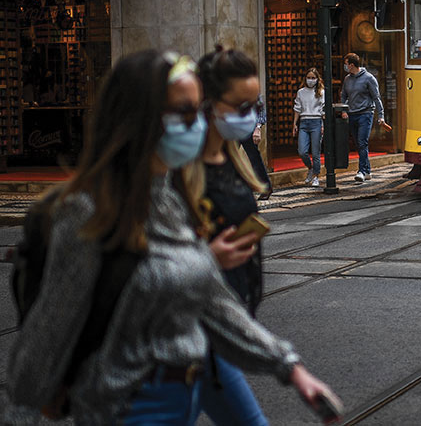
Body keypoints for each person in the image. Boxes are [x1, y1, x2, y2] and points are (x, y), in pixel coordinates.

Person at [3, 49, 338, 425]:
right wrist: (21, 413)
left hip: (185, 397)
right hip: (128, 405)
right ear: (139, 116)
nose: (197, 124)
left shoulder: (166, 202)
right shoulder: (89, 210)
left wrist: (291, 369)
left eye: (198, 110)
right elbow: (48, 333)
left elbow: (214, 302)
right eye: (185, 112)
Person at [186, 47, 275, 425]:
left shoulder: (232, 159)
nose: (250, 116)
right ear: (207, 104)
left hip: (219, 327)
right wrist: (208, 257)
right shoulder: (176, 170)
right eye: (241, 106)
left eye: (254, 106)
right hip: (183, 336)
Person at [340, 53, 386, 182]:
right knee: (359, 144)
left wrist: (381, 115)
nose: (345, 66)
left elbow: (376, 97)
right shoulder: (347, 79)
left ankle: (362, 171)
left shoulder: (368, 78)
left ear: (351, 65)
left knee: (362, 142)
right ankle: (367, 171)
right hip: (352, 114)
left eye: (346, 64)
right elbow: (344, 95)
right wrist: (344, 109)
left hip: (365, 114)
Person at [293, 68, 325, 187]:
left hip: (316, 121)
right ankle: (310, 168)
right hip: (304, 122)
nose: (310, 80)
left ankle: (316, 176)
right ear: (305, 79)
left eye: (313, 78)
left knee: (316, 152)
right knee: (302, 151)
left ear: (317, 79)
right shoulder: (301, 92)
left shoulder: (321, 92)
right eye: (309, 78)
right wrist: (294, 124)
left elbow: (323, 109)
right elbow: (297, 108)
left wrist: (323, 125)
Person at [241, 93, 273, 201]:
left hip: (248, 127)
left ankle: (266, 188)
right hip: (231, 128)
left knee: (254, 157)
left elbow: (260, 109)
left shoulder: (249, 85)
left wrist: (257, 128)